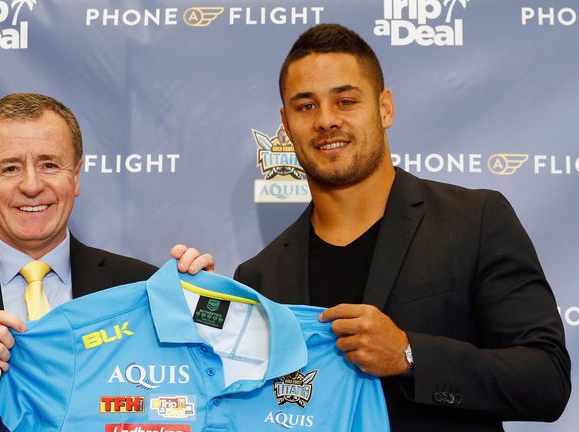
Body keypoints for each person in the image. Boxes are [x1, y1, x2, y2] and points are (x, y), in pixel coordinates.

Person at [233, 24, 570, 431]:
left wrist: (410, 355)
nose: (325, 120)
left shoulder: (475, 219)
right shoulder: (257, 277)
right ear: (286, 126)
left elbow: (545, 380)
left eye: (345, 100)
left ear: (385, 108)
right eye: (306, 107)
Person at [0, 93, 213, 431]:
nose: (31, 185)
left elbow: (187, 403)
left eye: (49, 164)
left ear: (75, 176)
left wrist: (210, 317)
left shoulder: (138, 287)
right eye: (10, 168)